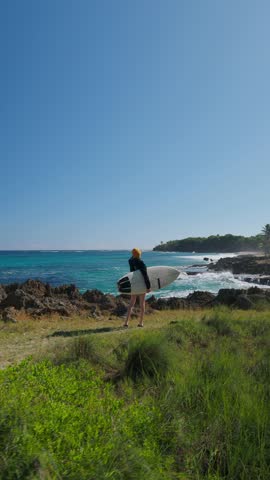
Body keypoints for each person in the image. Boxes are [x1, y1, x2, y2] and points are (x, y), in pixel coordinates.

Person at [123, 248, 151, 328]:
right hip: (141, 285)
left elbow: (131, 263)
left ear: (133, 254)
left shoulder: (131, 262)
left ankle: (126, 323)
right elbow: (145, 275)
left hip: (134, 284)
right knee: (142, 304)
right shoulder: (141, 262)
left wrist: (133, 256)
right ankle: (141, 323)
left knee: (131, 304)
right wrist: (148, 287)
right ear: (139, 254)